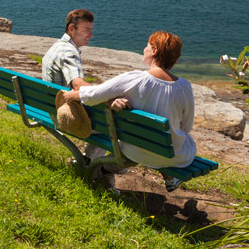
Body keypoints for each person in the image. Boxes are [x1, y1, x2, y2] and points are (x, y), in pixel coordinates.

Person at [62, 31, 195, 193]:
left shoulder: (135, 79)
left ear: (154, 51)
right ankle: (168, 175)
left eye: (147, 45)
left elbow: (92, 95)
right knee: (182, 140)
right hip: (175, 157)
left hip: (136, 150)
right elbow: (186, 127)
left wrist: (72, 95)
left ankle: (103, 171)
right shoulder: (184, 86)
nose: (144, 49)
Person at [42, 9, 94, 90]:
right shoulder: (68, 52)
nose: (91, 35)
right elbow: (78, 86)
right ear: (71, 28)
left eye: (91, 30)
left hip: (48, 100)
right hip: (60, 102)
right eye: (87, 30)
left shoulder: (58, 46)